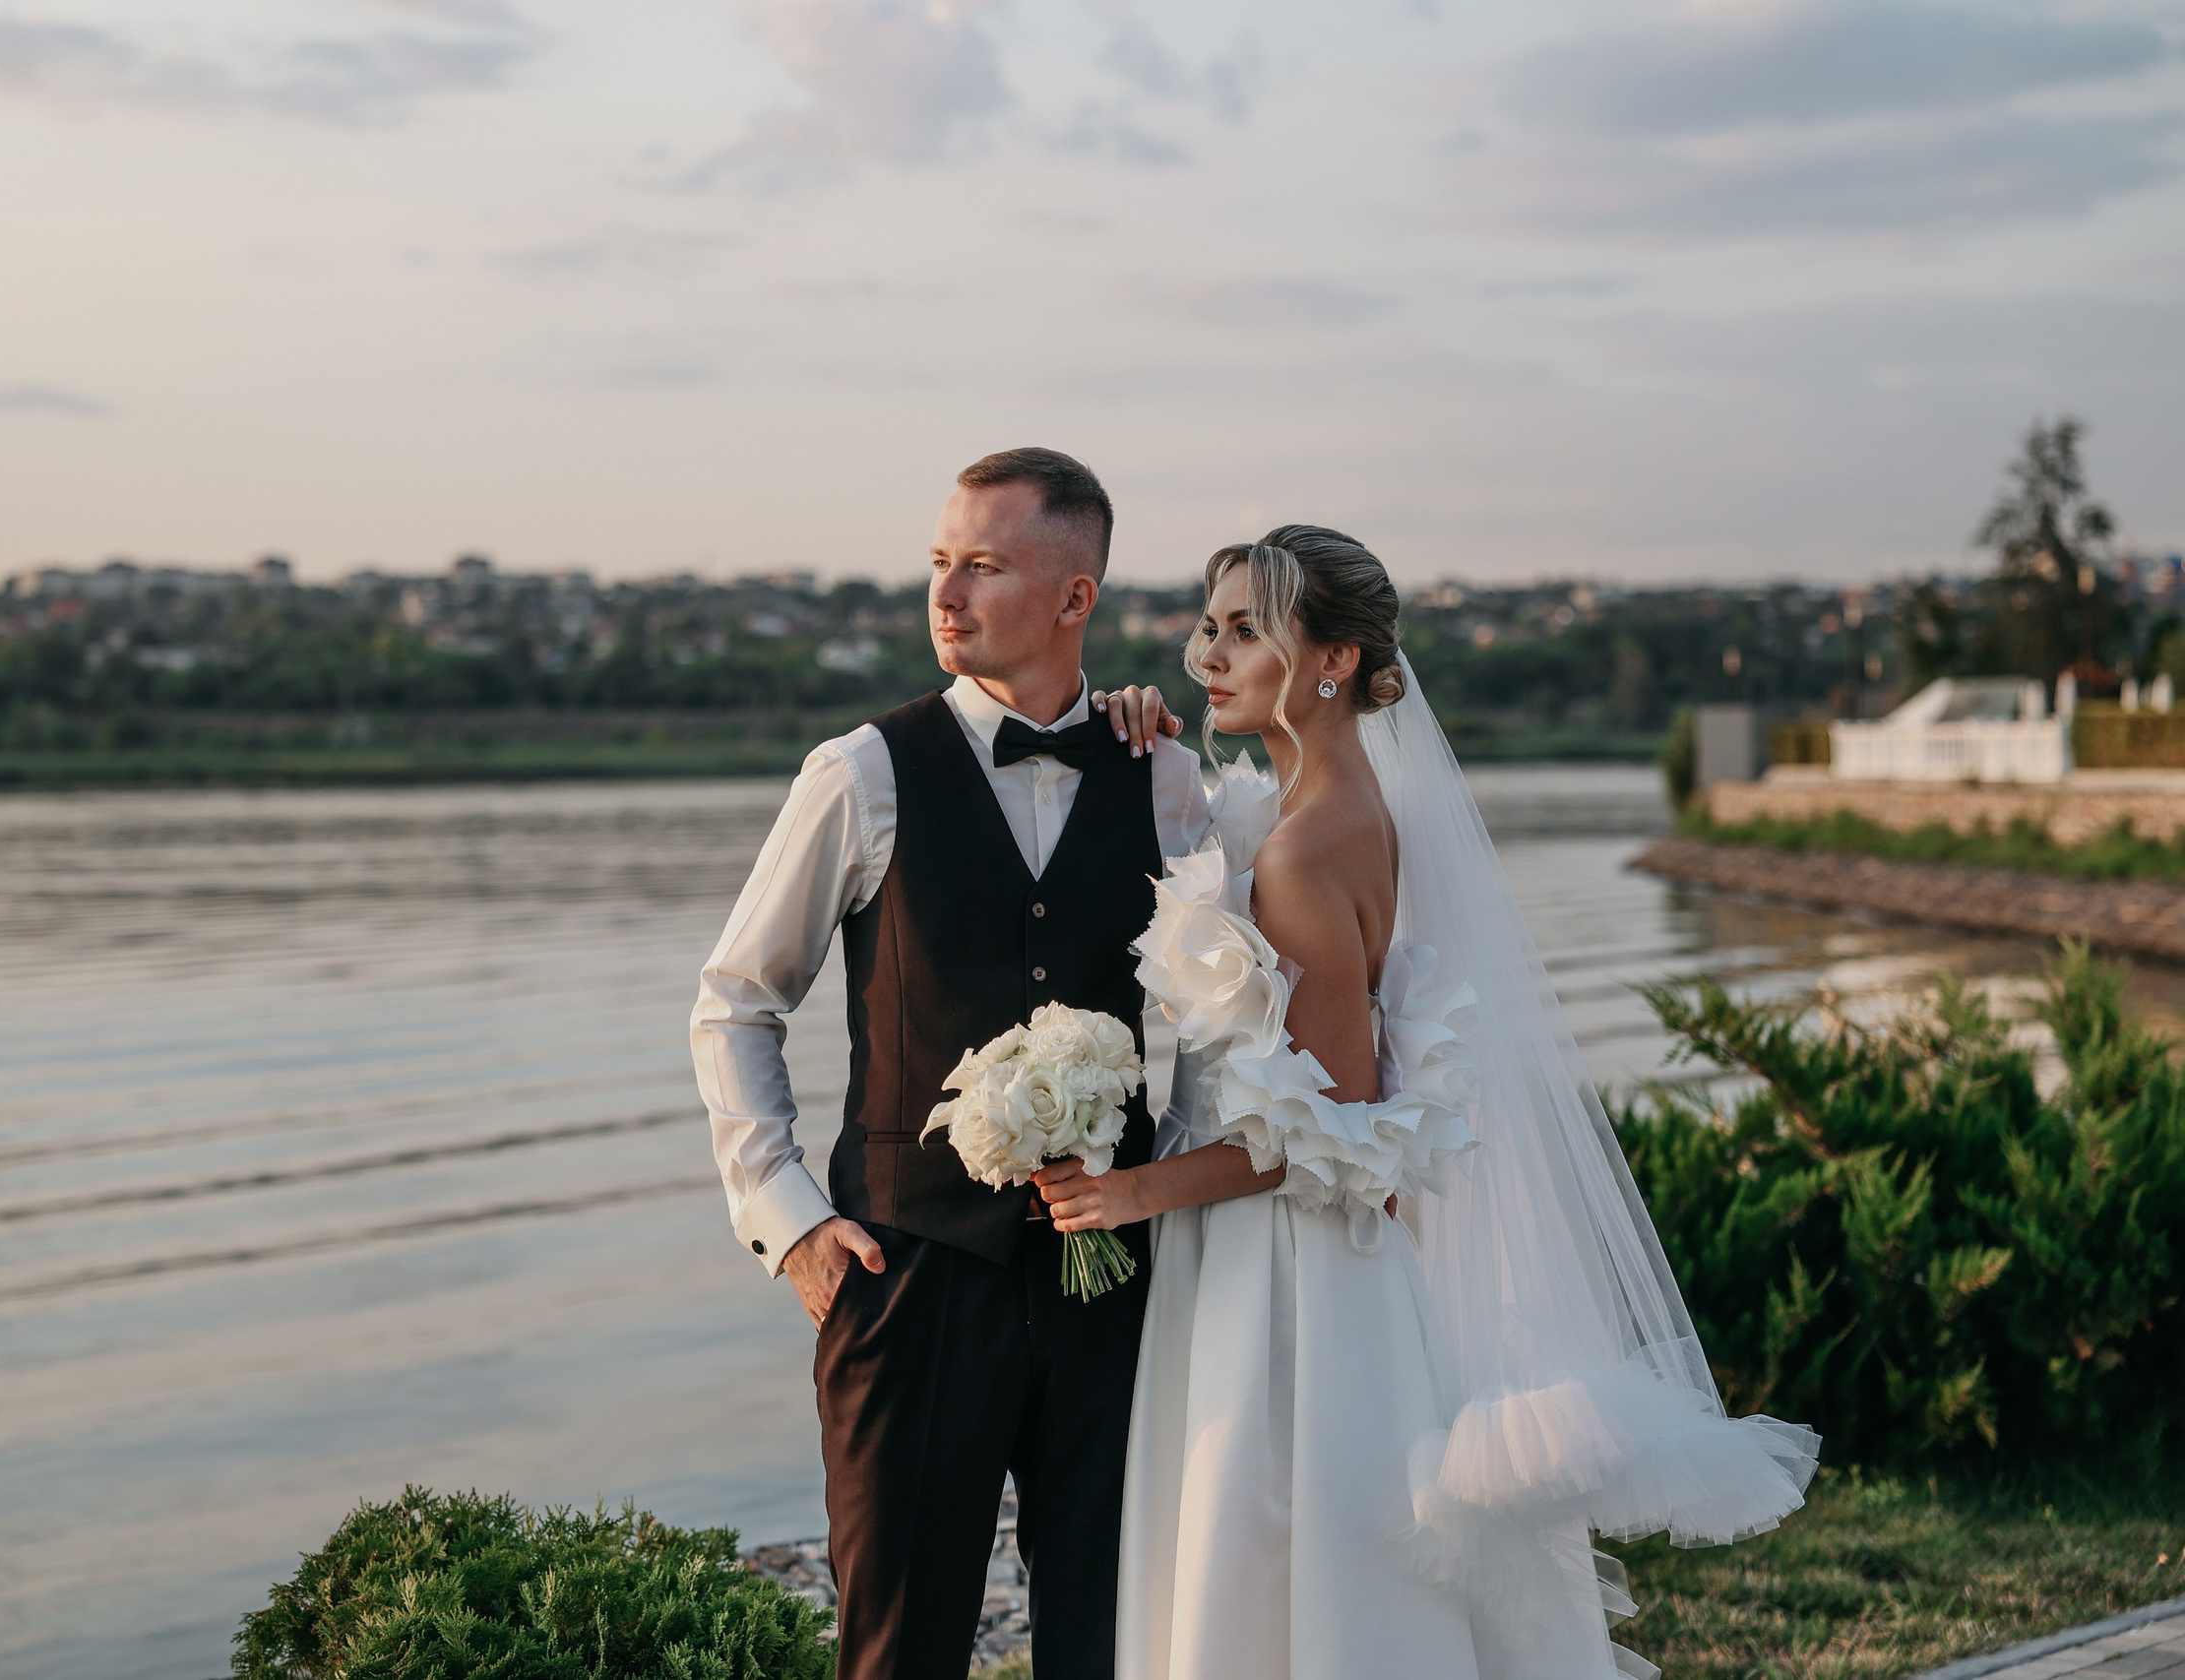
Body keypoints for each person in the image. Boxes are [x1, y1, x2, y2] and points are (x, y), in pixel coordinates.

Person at [1035, 529, 1820, 1680]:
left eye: (1246, 631)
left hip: (1283, 1277)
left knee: (1277, 1562)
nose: (1209, 655)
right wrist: (1137, 735)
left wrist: (1134, 1192)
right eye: (1208, 627)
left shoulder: (1306, 851)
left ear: (1333, 661)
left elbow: (1332, 1130)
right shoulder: (1314, 808)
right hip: (1292, 1259)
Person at [692, 447, 1202, 1680]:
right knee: (896, 1652)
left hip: (1110, 1289)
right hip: (907, 1277)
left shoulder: (1167, 776)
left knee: (1111, 1640)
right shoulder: (859, 773)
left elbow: (1213, 1028)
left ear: (1074, 598)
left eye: (983, 565)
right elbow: (736, 1002)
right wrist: (791, 1223)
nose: (946, 592)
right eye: (938, 561)